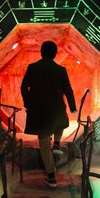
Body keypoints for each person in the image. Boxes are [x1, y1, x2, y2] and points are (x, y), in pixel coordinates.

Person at [20, 40, 77, 187]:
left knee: (44, 143)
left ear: (41, 53)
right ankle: (57, 144)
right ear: (55, 54)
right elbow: (68, 90)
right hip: (57, 109)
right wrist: (72, 107)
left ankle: (51, 177)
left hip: (39, 111)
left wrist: (28, 103)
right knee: (62, 121)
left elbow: (23, 87)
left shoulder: (32, 68)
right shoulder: (60, 70)